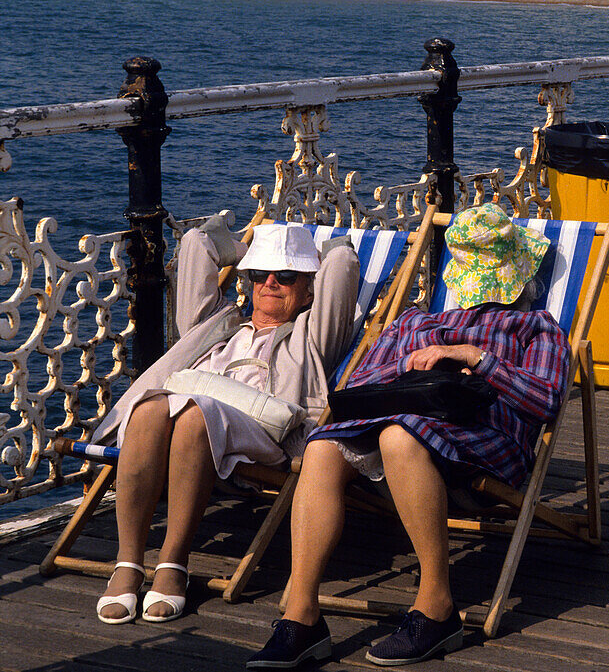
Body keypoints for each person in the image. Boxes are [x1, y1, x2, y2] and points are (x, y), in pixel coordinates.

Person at [247, 203, 571, 669]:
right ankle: (302, 616)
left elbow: (545, 403)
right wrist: (415, 363)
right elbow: (355, 388)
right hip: (395, 429)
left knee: (400, 436)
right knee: (321, 447)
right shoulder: (414, 322)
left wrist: (478, 359)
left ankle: (437, 607)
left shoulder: (536, 327)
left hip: (482, 441)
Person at [93, 220, 359, 625]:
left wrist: (317, 252)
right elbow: (197, 243)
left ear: (309, 289)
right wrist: (245, 248)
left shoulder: (312, 333)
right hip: (193, 415)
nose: (270, 282)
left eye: (286, 275)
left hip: (266, 431)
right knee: (148, 409)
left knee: (194, 414)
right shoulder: (218, 323)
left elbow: (341, 263)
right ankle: (127, 562)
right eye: (259, 274)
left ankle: (172, 562)